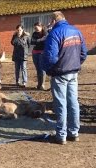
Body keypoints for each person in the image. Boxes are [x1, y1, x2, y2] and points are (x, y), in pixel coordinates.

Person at [42, 11, 87, 145]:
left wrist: (48, 70)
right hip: (73, 73)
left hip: (60, 74)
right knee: (73, 102)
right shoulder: (77, 31)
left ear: (54, 21)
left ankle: (61, 135)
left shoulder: (54, 34)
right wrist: (75, 64)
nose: (49, 24)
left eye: (50, 21)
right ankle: (74, 132)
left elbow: (51, 57)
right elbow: (83, 53)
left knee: (61, 104)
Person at [31, 22, 48, 90]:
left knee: (42, 69)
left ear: (41, 26)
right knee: (38, 69)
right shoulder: (34, 33)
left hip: (42, 52)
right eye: (35, 28)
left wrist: (37, 41)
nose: (36, 29)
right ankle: (39, 84)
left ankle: (42, 85)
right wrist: (40, 40)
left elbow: (46, 41)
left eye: (37, 27)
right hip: (35, 52)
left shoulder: (45, 33)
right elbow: (32, 42)